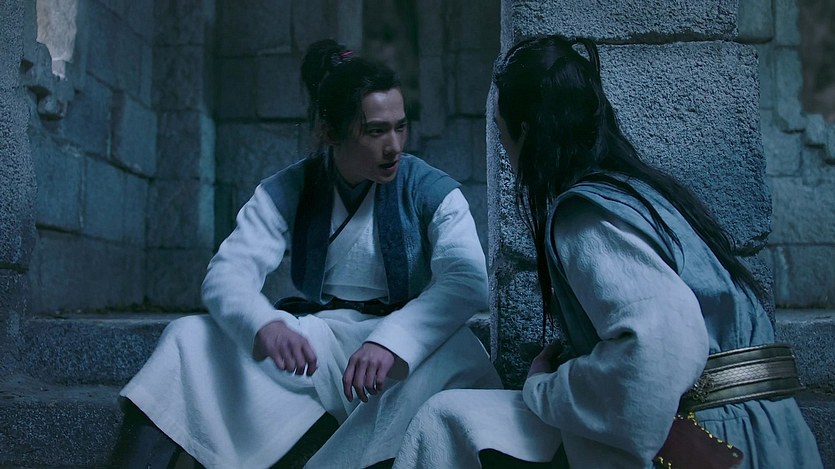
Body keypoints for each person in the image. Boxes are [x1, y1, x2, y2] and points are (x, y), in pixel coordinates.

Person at [392, 35, 823, 468]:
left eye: (504, 137)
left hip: (721, 438)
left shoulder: (587, 217)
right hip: (762, 431)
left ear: (525, 132)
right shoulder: (639, 195)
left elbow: (656, 351)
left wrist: (545, 387)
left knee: (443, 416)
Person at [111, 38, 501, 468]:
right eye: (375, 131)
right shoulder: (290, 188)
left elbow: (466, 281)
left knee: (459, 355)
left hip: (402, 345)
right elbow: (227, 273)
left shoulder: (430, 189)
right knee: (188, 337)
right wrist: (264, 325)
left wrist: (392, 343)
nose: (394, 146)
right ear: (331, 133)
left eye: (400, 127)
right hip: (320, 341)